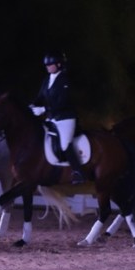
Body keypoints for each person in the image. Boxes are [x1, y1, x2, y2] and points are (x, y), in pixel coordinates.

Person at [30, 51, 85, 185]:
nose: (47, 67)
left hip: (65, 118)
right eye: (46, 65)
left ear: (59, 65)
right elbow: (40, 97)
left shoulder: (65, 80)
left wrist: (44, 109)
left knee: (65, 144)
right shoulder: (47, 80)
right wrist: (32, 105)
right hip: (52, 118)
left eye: (50, 64)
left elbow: (62, 102)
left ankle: (78, 172)